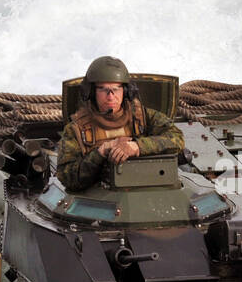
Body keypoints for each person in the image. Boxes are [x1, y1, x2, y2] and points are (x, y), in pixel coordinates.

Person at [55, 56, 185, 190]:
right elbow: (67, 178)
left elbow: (177, 138)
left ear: (126, 91)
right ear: (92, 92)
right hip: (101, 197)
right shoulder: (77, 129)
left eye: (116, 89)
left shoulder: (142, 116)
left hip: (145, 187)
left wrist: (137, 146)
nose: (110, 96)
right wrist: (101, 152)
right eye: (103, 89)